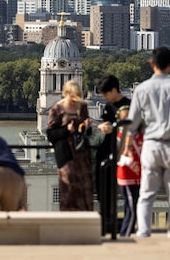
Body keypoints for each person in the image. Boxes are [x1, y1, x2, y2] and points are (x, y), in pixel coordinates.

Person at [126, 46, 170, 238]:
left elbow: (132, 123)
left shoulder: (141, 89)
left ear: (152, 64)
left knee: (146, 194)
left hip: (150, 144)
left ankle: (143, 232)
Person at [47, 79, 93, 211]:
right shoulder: (56, 109)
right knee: (68, 186)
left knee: (84, 186)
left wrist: (88, 127)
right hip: (65, 153)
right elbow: (51, 135)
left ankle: (84, 220)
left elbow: (87, 133)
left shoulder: (82, 107)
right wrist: (67, 130)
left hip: (82, 153)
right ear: (66, 93)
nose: (75, 100)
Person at [95, 75, 131, 232]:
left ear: (114, 90)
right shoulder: (108, 106)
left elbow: (128, 128)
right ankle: (106, 219)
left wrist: (113, 128)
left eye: (106, 94)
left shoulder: (127, 106)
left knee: (123, 190)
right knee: (102, 188)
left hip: (121, 151)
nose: (104, 97)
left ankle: (116, 222)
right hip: (105, 149)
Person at [117, 126, 143, 236]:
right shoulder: (120, 137)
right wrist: (132, 164)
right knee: (131, 209)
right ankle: (125, 233)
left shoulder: (142, 136)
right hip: (126, 177)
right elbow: (118, 157)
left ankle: (128, 231)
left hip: (137, 177)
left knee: (134, 206)